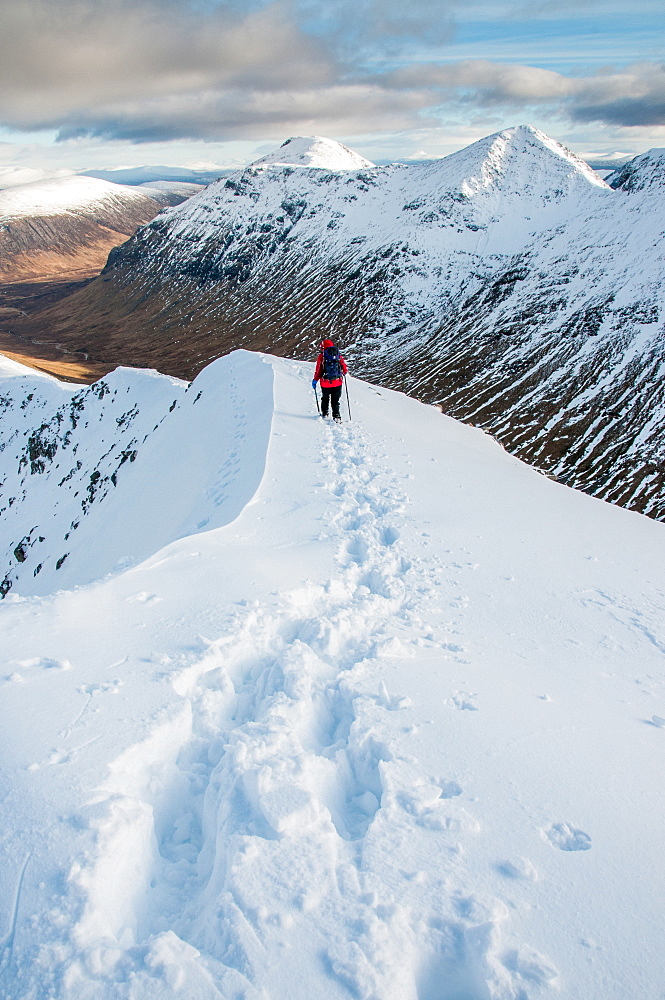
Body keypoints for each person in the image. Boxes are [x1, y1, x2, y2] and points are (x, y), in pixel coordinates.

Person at [312, 339, 348, 421]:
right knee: (335, 400)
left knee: (325, 399)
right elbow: (344, 368)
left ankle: (325, 413)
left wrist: (315, 380)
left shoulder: (322, 356)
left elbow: (318, 370)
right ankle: (336, 416)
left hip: (325, 383)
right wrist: (343, 373)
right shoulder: (338, 354)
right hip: (337, 382)